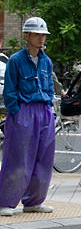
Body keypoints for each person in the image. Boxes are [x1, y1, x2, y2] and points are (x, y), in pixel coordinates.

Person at [0, 17, 56, 216]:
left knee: (44, 157)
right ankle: (6, 201)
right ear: (27, 36)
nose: (41, 38)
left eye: (43, 35)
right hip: (23, 110)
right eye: (37, 34)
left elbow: (49, 87)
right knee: (18, 156)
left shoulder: (46, 60)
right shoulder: (16, 60)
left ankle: (34, 201)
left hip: (44, 111)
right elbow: (10, 90)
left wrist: (49, 105)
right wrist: (15, 111)